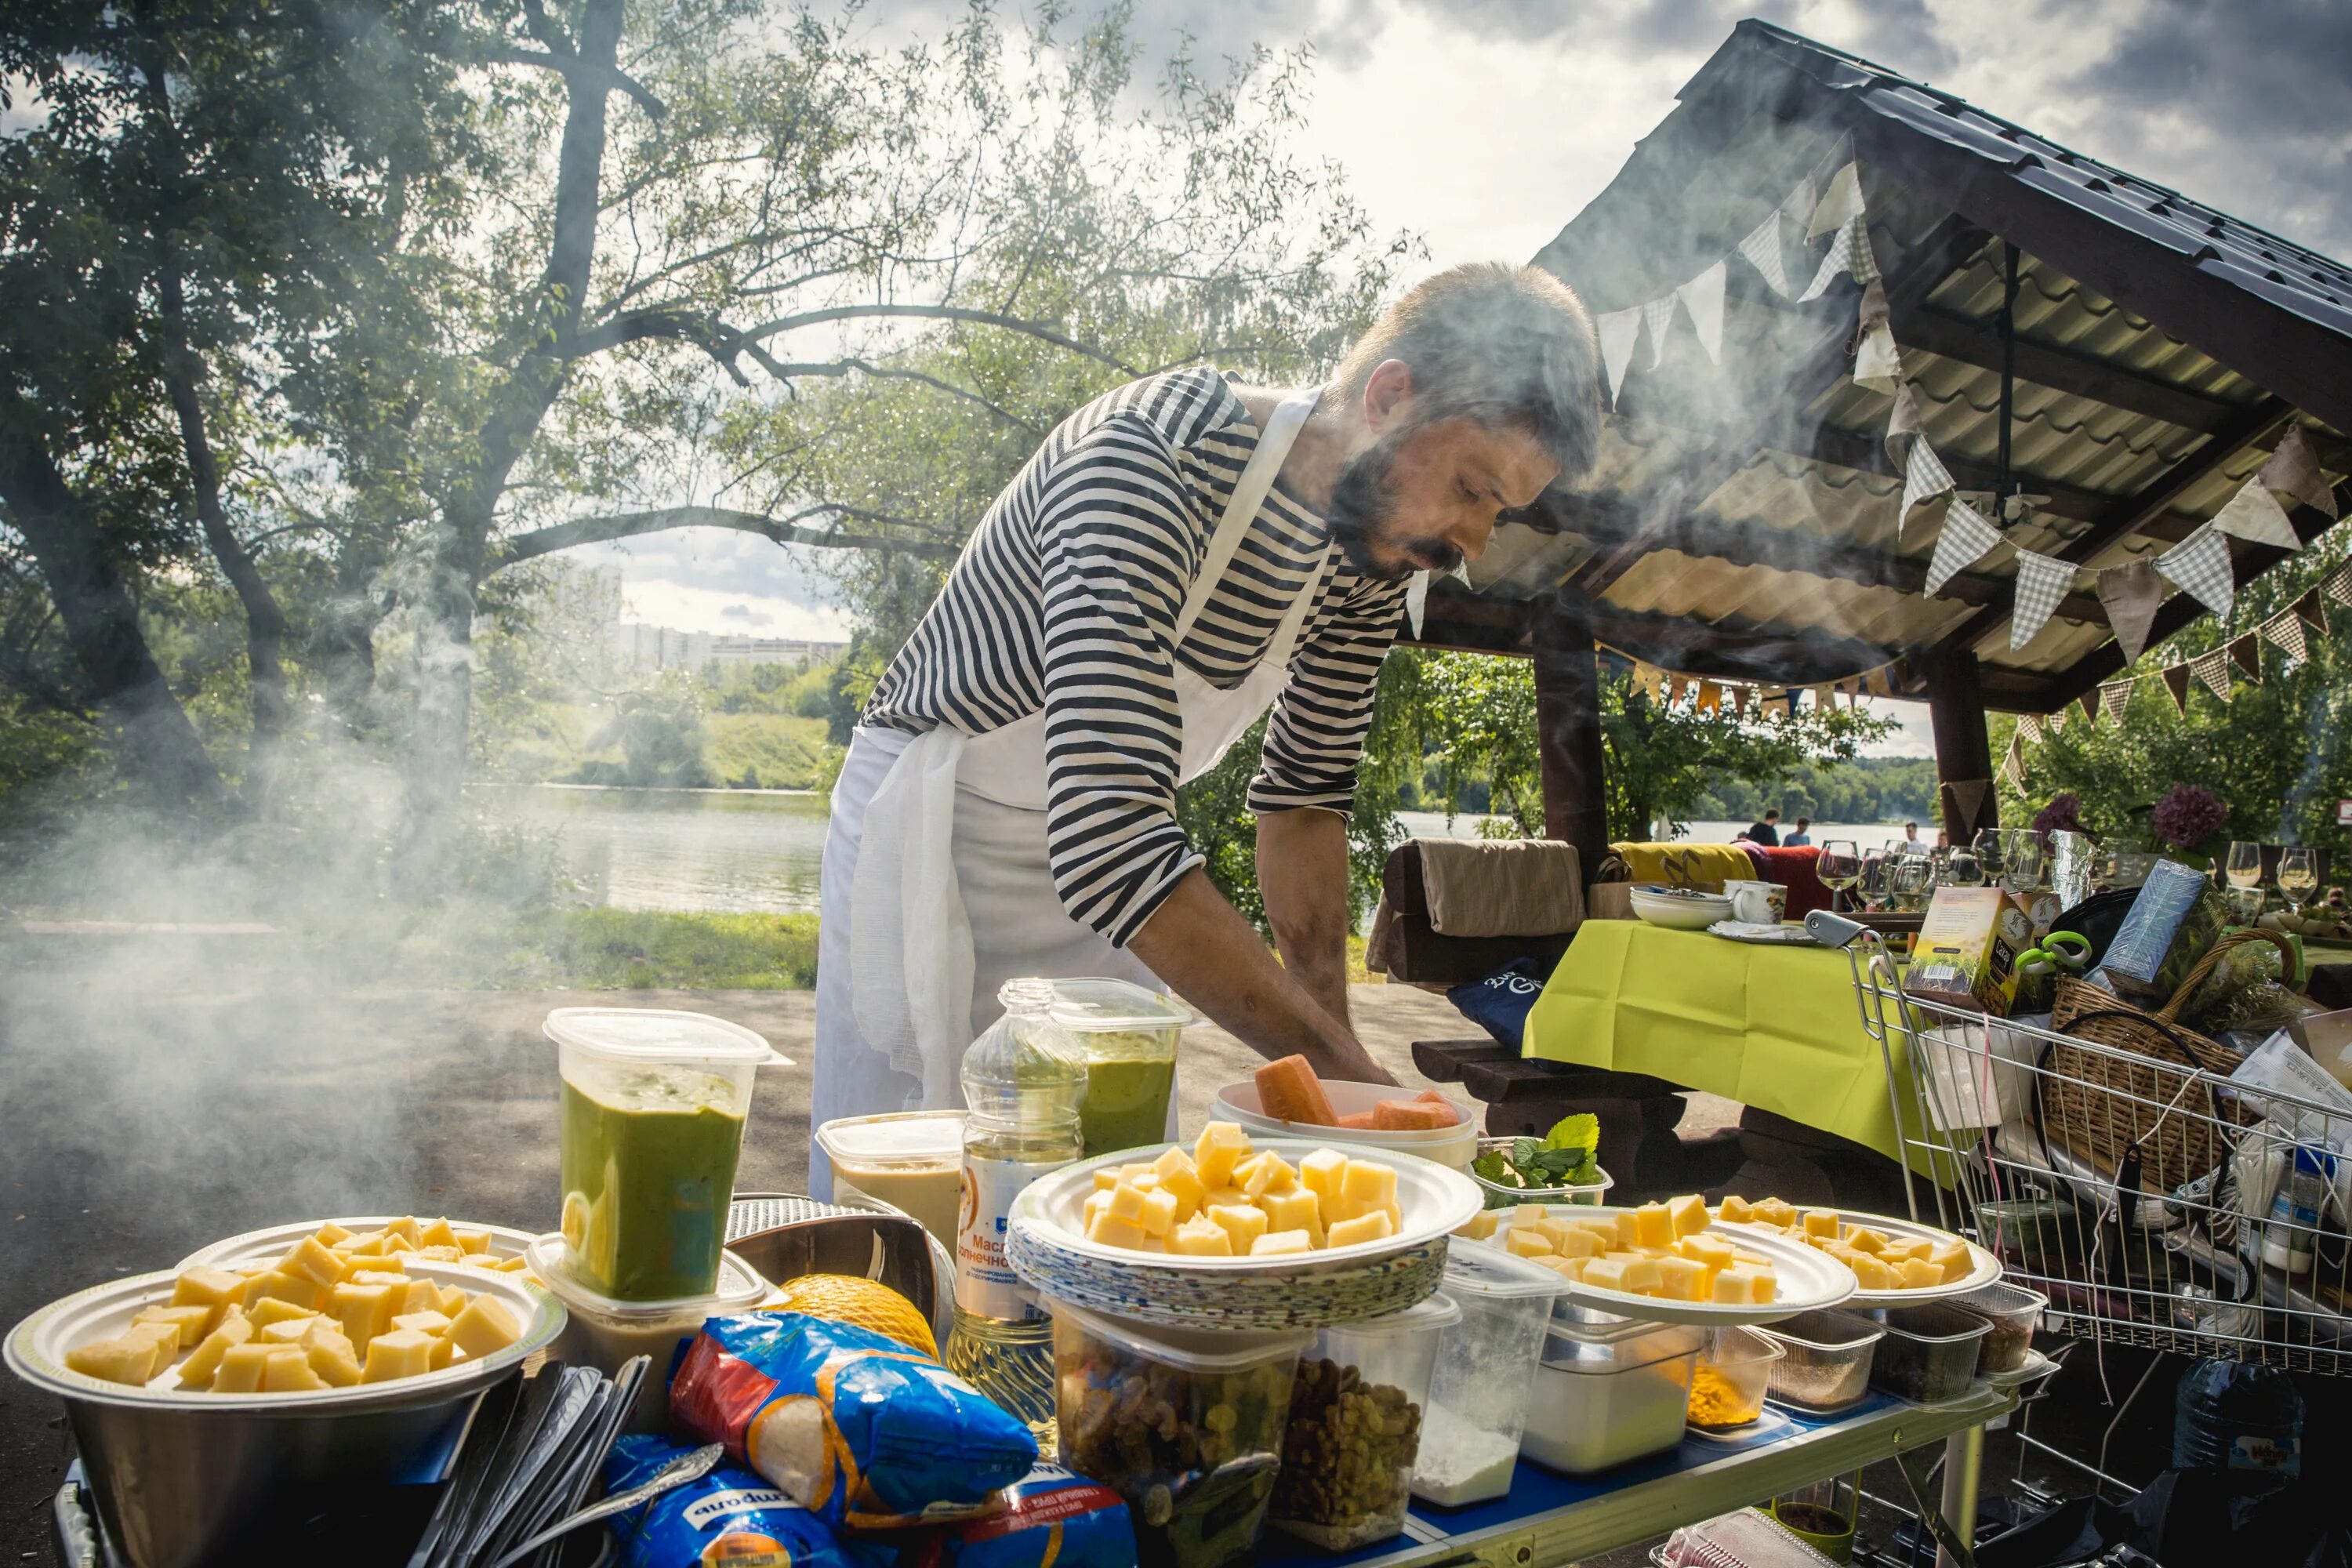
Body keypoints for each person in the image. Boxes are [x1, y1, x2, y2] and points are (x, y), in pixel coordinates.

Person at [811, 263, 1603, 1181]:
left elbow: (1304, 803)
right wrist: (1360, 1081)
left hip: (1115, 871)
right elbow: (1109, 838)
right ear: (1390, 396)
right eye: (1473, 488)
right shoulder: (1149, 458)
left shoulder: (1376, 557)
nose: (1474, 542)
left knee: (1107, 1169)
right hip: (935, 825)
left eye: (1498, 513)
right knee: (903, 1165)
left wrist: (1336, 1096)